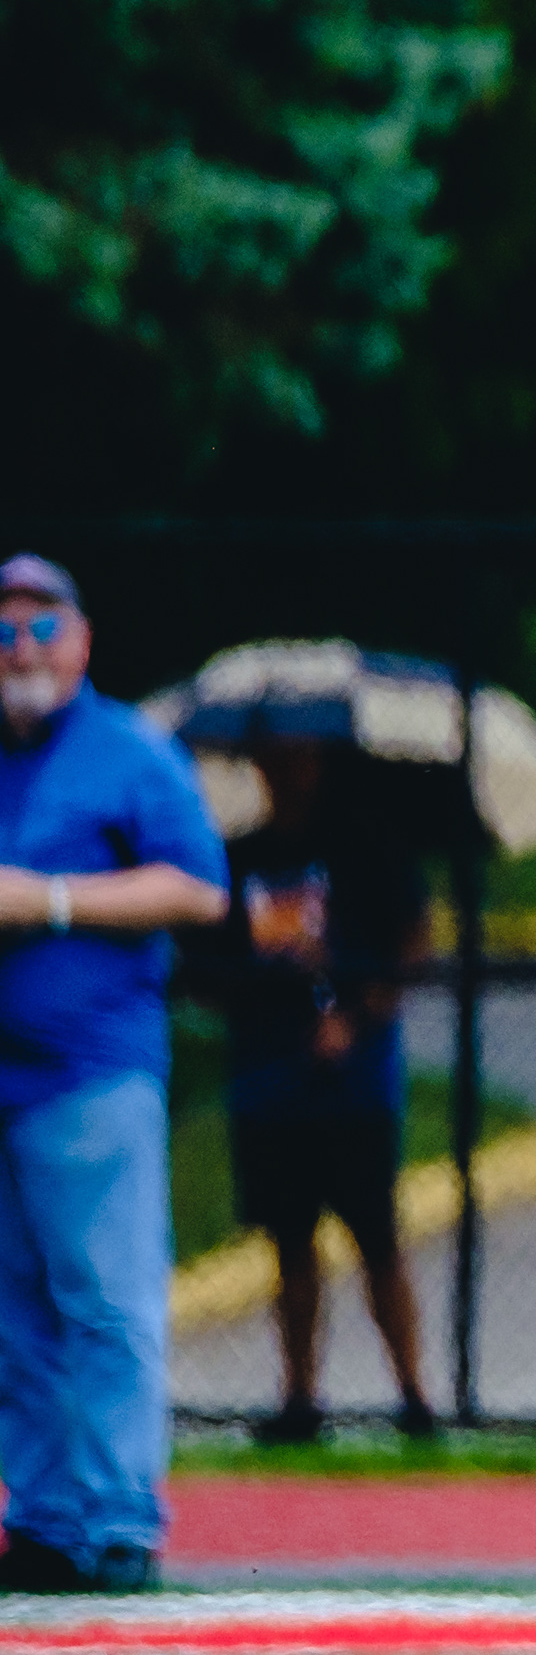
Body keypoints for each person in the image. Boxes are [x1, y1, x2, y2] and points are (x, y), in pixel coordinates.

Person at [0, 554, 228, 1593]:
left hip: (91, 1075)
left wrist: (47, 901)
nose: (20, 649)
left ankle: (119, 1520)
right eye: (3, 629)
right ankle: (47, 1520)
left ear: (81, 641)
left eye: (40, 626)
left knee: (106, 1302)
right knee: (17, 1314)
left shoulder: (129, 750)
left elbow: (200, 889)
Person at [203, 736, 439, 1443]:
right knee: (290, 1240)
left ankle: (414, 1396)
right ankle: (300, 1398)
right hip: (270, 1077)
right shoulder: (241, 854)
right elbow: (209, 957)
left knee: (376, 1237)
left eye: (300, 755)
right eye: (274, 754)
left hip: (353, 1081)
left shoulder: (367, 847)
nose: (288, 768)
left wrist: (362, 1011)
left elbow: (413, 938)